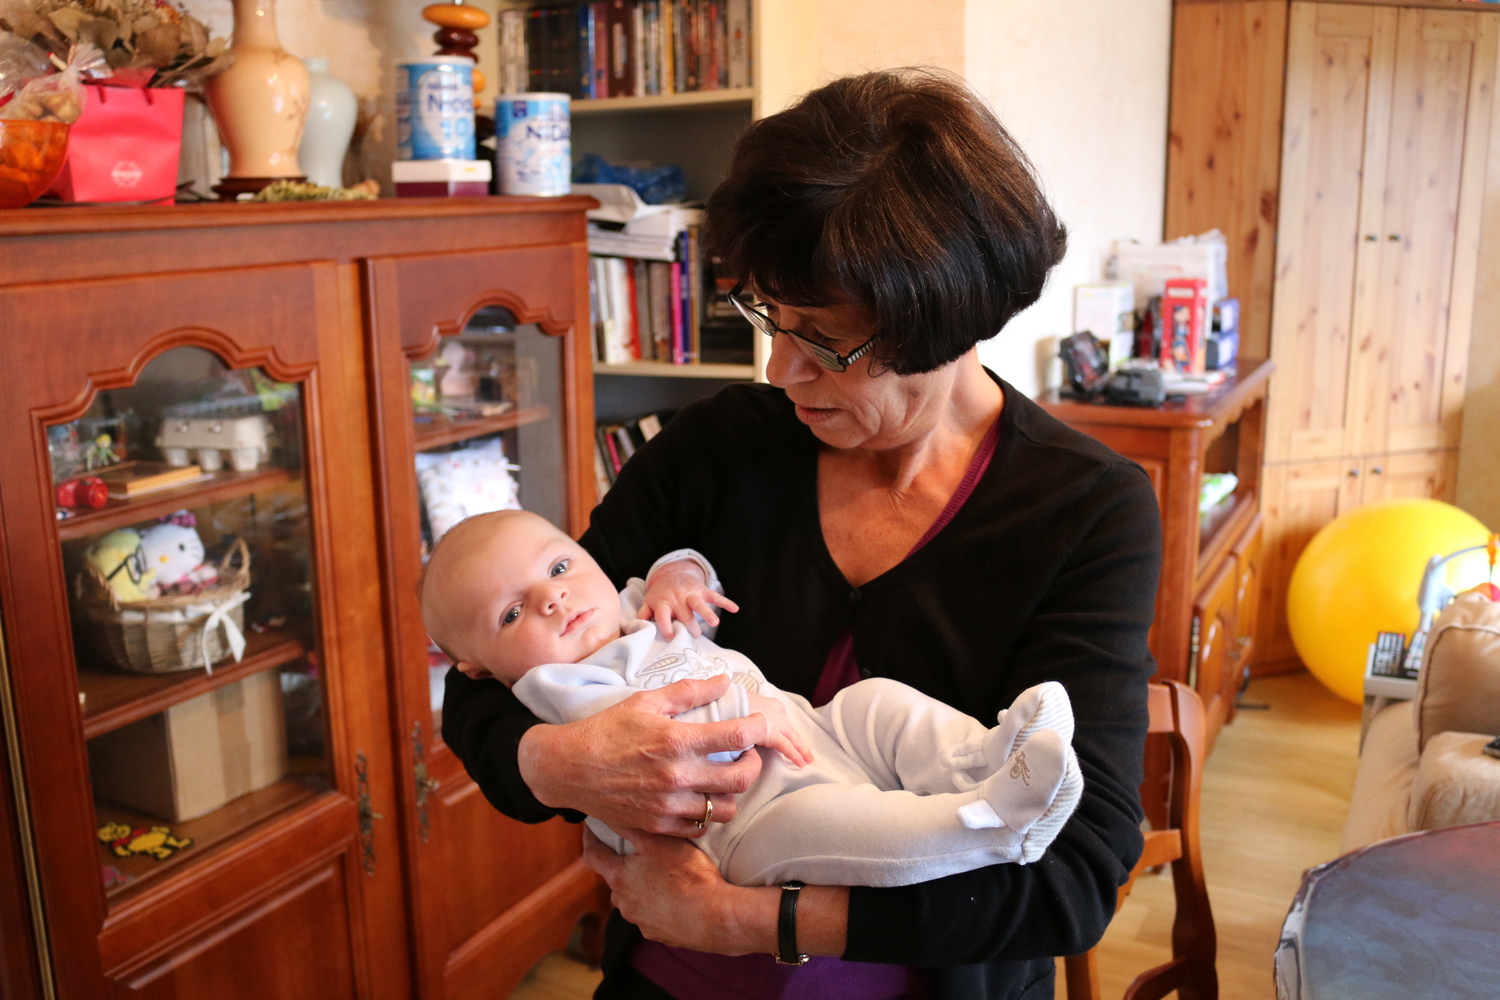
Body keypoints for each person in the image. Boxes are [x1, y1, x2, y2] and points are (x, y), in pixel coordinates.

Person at [444, 68, 1161, 1000]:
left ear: (944, 319)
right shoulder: (714, 449)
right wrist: (566, 762)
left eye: (824, 339)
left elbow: (1078, 875)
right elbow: (482, 681)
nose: (781, 369)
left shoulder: (1085, 510)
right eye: (769, 316)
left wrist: (746, 921)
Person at [421, 509, 1084, 888]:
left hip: (809, 730)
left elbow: (695, 592)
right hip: (743, 827)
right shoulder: (556, 687)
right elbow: (647, 748)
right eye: (512, 613)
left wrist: (678, 574)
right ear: (477, 668)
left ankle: (983, 755)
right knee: (845, 825)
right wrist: (742, 721)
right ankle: (989, 825)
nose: (553, 597)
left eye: (560, 566)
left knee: (874, 702)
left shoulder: (631, 609)